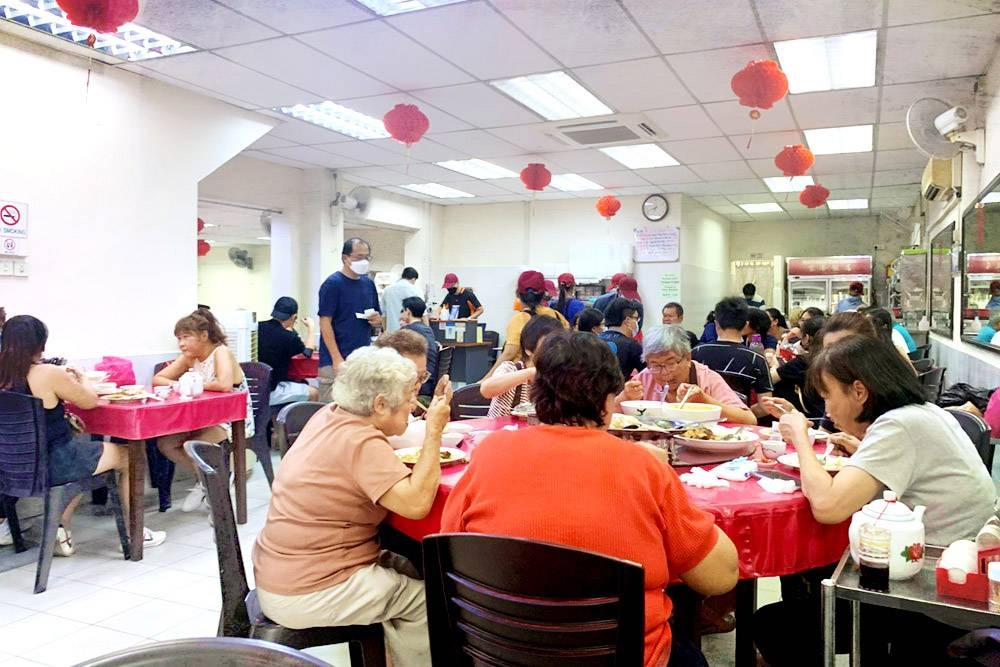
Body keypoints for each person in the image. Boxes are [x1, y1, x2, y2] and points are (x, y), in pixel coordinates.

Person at [441, 331, 738, 667]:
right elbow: (720, 577)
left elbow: (452, 543)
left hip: (497, 651)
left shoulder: (488, 453)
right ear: (609, 400)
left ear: (536, 393)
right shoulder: (642, 466)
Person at [755, 335, 996, 666]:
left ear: (858, 391)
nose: (827, 409)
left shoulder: (899, 425)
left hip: (936, 600)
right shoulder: (923, 412)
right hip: (961, 579)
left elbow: (828, 508)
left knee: (775, 624)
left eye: (828, 396)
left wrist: (799, 436)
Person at [252, 346, 452, 667]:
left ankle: (391, 656)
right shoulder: (361, 442)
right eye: (408, 399)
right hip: (309, 587)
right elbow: (416, 505)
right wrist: (434, 434)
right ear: (380, 404)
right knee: (427, 604)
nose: (413, 405)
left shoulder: (330, 414)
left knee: (410, 568)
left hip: (282, 569)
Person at [0, 315, 165, 552]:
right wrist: (83, 378)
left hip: (10, 467)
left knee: (84, 456)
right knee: (130, 456)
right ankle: (135, 532)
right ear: (41, 344)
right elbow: (88, 401)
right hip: (53, 464)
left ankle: (60, 527)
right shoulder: (47, 372)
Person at [154, 308, 254, 512]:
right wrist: (178, 384)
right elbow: (158, 379)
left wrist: (193, 383)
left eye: (186, 337)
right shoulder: (190, 357)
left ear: (204, 336)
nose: (181, 343)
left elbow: (225, 384)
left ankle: (214, 485)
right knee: (166, 443)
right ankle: (207, 482)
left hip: (232, 419)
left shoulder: (221, 352)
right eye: (179, 338)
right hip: (204, 418)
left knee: (191, 445)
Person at [620, 326, 756, 425]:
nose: (665, 372)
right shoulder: (645, 378)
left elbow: (749, 419)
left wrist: (705, 401)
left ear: (688, 358)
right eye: (655, 365)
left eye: (671, 363)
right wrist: (624, 397)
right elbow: (609, 417)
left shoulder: (706, 378)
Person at [317, 238, 383, 403]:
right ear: (345, 258)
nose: (364, 261)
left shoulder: (368, 284)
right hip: (336, 358)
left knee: (359, 406)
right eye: (358, 257)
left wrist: (377, 321)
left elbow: (378, 318)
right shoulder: (333, 284)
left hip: (362, 357)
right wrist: (336, 358)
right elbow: (325, 322)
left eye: (367, 257)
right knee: (331, 408)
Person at [692, 297, 772, 416]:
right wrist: (743, 414)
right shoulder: (757, 359)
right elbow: (766, 406)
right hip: (739, 425)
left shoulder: (695, 353)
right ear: (745, 324)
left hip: (699, 421)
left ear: (716, 323)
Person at [485, 270, 568, 379]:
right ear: (543, 294)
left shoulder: (518, 320)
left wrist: (485, 379)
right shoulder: (558, 316)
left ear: (518, 294)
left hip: (523, 380)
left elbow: (509, 354)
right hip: (552, 376)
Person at [481, 315, 563, 418]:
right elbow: (486, 390)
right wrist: (530, 373)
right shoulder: (510, 369)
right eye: (547, 345)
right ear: (528, 349)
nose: (553, 350)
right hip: (504, 432)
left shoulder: (557, 374)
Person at [257, 297, 319, 406]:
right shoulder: (288, 337)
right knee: (314, 392)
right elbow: (308, 352)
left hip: (254, 388)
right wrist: (311, 328)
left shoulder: (257, 326)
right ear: (294, 317)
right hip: (270, 391)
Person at [767, 316, 826, 421]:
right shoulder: (836, 360)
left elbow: (769, 379)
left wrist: (775, 365)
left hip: (811, 418)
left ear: (806, 338)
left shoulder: (803, 362)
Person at [399, 297, 438, 397]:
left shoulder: (407, 332)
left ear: (408, 311)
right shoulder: (427, 329)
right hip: (430, 380)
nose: (401, 315)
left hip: (418, 384)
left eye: (402, 311)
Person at [598, 298, 644, 378]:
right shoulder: (632, 346)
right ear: (627, 320)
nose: (637, 323)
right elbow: (648, 375)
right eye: (636, 318)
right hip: (619, 389)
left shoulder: (593, 339)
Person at [380, 267, 421, 333]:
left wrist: (385, 331)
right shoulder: (415, 290)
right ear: (414, 279)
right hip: (410, 334)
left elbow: (383, 314)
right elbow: (423, 313)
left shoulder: (387, 290)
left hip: (391, 332)